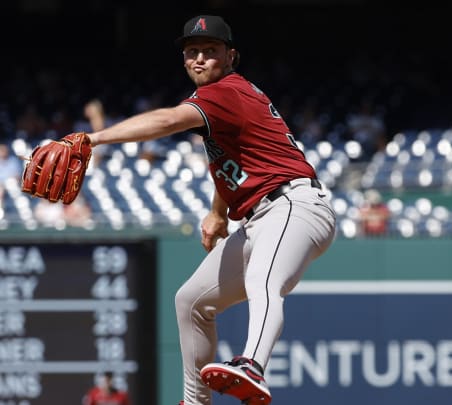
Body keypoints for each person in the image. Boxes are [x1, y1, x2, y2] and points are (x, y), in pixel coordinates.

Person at [82, 15, 336, 405]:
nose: (200, 59)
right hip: (261, 217)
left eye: (210, 51)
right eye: (192, 52)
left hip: (294, 205)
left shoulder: (226, 91)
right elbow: (229, 160)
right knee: (191, 301)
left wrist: (94, 138)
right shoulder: (221, 106)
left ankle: (252, 364)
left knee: (262, 281)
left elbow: (167, 120)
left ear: (230, 56)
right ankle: (195, 400)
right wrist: (218, 213)